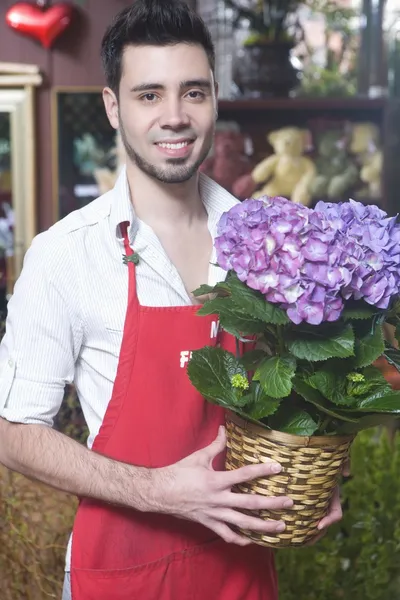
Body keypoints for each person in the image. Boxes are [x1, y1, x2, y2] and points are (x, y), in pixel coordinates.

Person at [0, 1, 344, 599]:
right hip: (121, 572)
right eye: (149, 95)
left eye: (194, 92)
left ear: (215, 98)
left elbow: (295, 390)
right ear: (113, 107)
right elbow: (12, 431)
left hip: (240, 571)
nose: (176, 117)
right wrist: (160, 491)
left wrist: (314, 475)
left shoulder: (266, 240)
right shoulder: (66, 255)